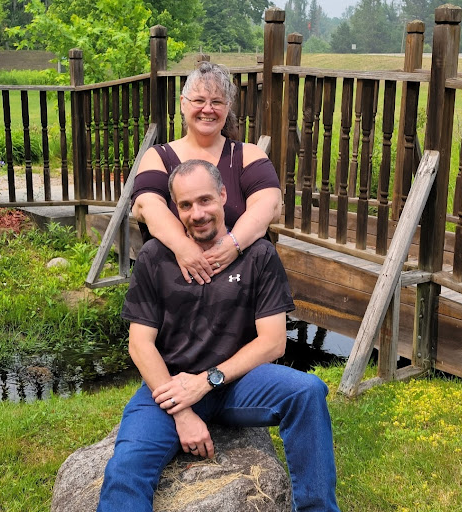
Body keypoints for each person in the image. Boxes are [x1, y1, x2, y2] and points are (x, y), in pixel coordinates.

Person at [97, 160, 340, 512]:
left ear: (223, 195)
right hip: (170, 385)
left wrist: (207, 381)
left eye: (205, 200)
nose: (197, 213)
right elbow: (140, 344)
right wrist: (182, 412)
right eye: (185, 205)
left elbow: (273, 342)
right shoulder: (155, 256)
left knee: (308, 392)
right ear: (175, 208)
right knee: (126, 468)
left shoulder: (258, 255)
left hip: (237, 383)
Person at [132, 61, 282, 286]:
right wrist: (184, 248)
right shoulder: (158, 156)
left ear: (228, 107)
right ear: (183, 103)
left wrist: (232, 245)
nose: (208, 109)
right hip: (172, 284)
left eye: (217, 102)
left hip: (240, 284)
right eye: (199, 101)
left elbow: (271, 205)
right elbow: (146, 206)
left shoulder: (249, 155)